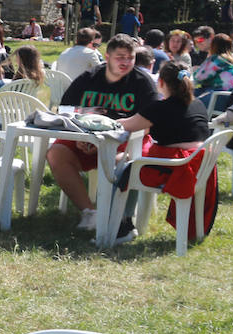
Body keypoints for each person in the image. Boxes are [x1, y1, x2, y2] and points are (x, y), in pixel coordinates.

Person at [47, 33, 156, 237]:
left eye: (130, 58)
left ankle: (117, 218)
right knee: (55, 153)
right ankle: (90, 212)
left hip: (127, 141)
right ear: (107, 57)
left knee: (120, 164)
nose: (126, 62)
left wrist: (108, 142)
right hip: (84, 138)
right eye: (120, 57)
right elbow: (66, 111)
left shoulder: (142, 82)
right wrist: (79, 137)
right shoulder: (89, 77)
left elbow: (149, 124)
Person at [111, 62, 214, 245]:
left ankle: (121, 225)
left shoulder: (160, 107)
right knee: (131, 160)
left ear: (161, 82)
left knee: (121, 164)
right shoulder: (198, 104)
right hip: (200, 166)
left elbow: (125, 125)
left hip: (178, 169)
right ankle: (127, 221)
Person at [191, 34, 233, 103]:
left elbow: (198, 78)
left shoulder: (216, 59)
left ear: (213, 46)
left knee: (189, 99)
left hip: (219, 98)